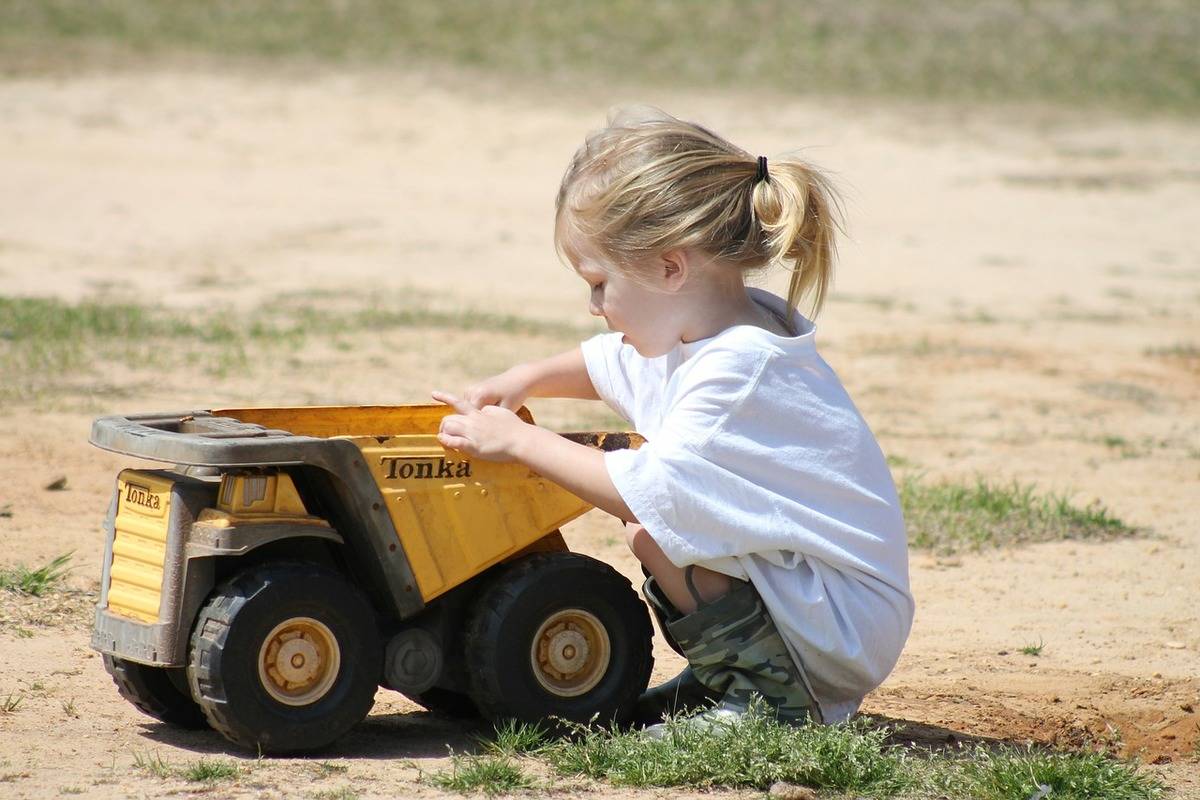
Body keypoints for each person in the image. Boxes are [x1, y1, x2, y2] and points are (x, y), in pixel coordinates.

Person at [432, 107, 913, 733]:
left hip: (838, 625)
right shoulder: (715, 329)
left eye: (600, 283)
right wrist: (520, 379)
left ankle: (770, 703)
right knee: (656, 531)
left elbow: (644, 487)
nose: (594, 305)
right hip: (828, 608)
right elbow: (608, 363)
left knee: (652, 527)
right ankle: (730, 674)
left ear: (669, 266)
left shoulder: (737, 373)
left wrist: (522, 441)